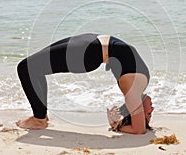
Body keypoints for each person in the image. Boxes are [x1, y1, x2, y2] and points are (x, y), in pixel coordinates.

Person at [16, 33, 154, 134]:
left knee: (25, 67)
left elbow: (139, 129)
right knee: (34, 68)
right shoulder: (142, 82)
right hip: (92, 42)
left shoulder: (132, 92)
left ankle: (39, 119)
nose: (152, 110)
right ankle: (41, 115)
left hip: (88, 53)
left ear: (134, 113)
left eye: (147, 115)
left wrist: (115, 124)